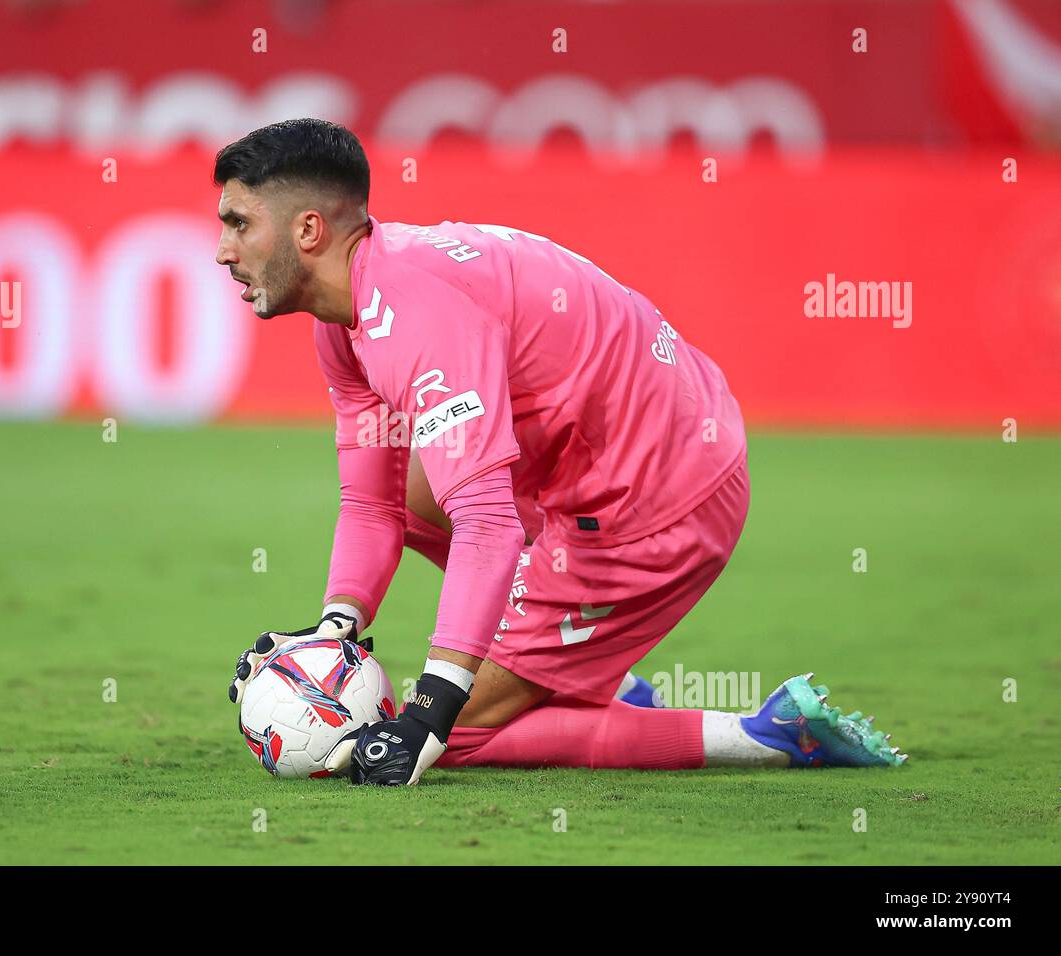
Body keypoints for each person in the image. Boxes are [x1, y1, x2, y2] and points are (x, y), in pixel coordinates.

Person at [217, 118, 906, 785]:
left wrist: (428, 712)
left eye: (239, 224)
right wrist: (335, 633)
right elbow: (372, 502)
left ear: (308, 230)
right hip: (632, 448)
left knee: (453, 738)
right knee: (412, 492)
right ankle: (594, 675)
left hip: (660, 499)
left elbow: (488, 524)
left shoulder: (416, 317)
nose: (224, 251)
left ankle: (770, 734)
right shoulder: (351, 318)